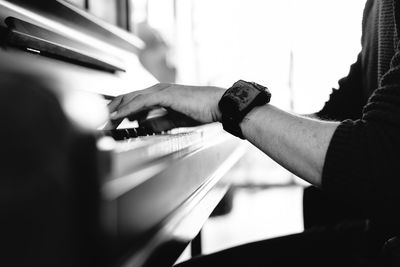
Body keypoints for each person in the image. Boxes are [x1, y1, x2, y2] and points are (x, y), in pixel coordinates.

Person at [108, 0, 400, 266]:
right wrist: (221, 115)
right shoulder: (377, 6)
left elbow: (382, 164)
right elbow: (336, 117)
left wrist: (228, 106)